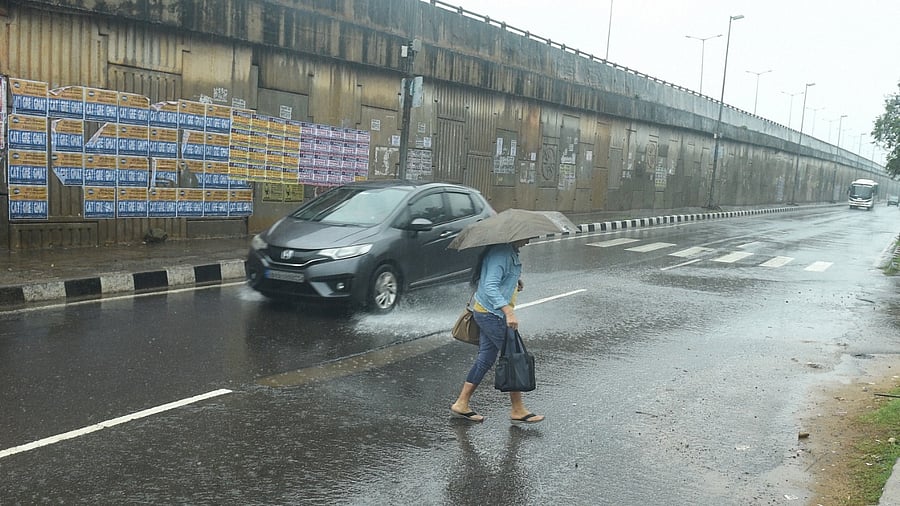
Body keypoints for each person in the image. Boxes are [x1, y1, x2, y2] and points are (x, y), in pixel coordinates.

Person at [449, 237, 545, 425]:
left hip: (488, 313)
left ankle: (461, 404)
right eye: (526, 237)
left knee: (486, 358)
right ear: (515, 236)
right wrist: (508, 311)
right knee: (514, 356)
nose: (529, 240)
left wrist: (514, 282)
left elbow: (494, 280)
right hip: (491, 314)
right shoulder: (501, 254)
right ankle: (517, 409)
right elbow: (489, 286)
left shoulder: (504, 251)